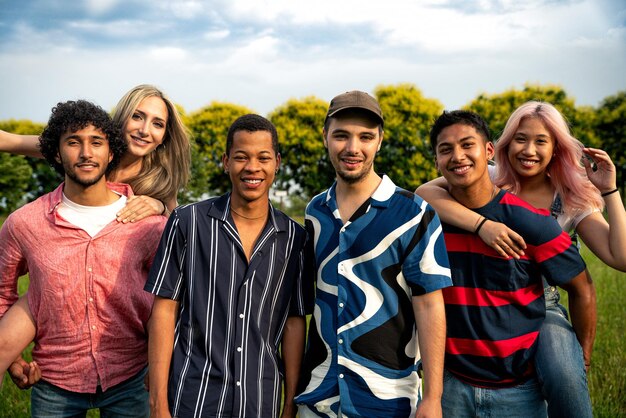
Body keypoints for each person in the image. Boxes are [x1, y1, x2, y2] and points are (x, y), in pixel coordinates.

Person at [417, 101, 625, 417]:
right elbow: (425, 192)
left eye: (541, 141)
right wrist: (483, 225)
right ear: (502, 145)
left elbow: (619, 257)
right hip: (486, 288)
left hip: (543, 300)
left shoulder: (567, 198)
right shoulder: (488, 175)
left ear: (556, 148)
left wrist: (610, 191)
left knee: (566, 376)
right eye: (520, 139)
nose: (528, 150)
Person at [0, 100, 167, 417]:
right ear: (55, 153)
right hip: (54, 384)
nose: (86, 153)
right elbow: (2, 292)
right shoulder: (24, 224)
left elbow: (168, 302)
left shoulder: (149, 225)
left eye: (96, 143)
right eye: (74, 142)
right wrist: (13, 358)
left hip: (131, 379)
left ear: (111, 152)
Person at [295, 91, 452, 418]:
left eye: (365, 137)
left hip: (387, 398)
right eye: (341, 136)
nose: (353, 148)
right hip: (318, 397)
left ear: (379, 141)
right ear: (325, 137)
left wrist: (433, 398)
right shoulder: (315, 212)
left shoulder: (413, 214)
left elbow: (430, 304)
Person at [145, 114, 313, 418]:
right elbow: (164, 310)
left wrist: (290, 403)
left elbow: (293, 322)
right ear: (226, 161)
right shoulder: (188, 222)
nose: (252, 167)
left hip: (260, 400)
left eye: (263, 157)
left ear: (277, 162)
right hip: (193, 397)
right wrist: (158, 404)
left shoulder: (294, 239)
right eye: (241, 157)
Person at [0, 84, 191, 219]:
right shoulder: (88, 150)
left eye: (157, 124)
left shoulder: (161, 181)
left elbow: (176, 229)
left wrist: (160, 206)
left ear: (164, 137)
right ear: (122, 117)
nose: (144, 130)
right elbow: (8, 141)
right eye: (137, 116)